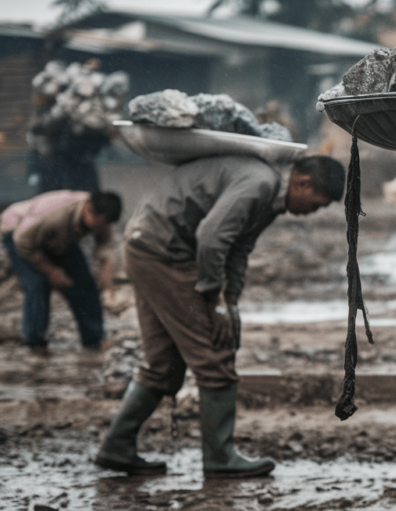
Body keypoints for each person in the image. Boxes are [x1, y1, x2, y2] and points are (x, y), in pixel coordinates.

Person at [94, 154, 346, 478]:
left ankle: (117, 446)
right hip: (165, 252)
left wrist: (232, 299)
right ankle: (219, 457)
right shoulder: (260, 184)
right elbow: (212, 236)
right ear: (303, 182)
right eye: (317, 203)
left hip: (145, 244)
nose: (314, 212)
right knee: (215, 354)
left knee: (164, 363)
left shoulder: (268, 195)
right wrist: (214, 301)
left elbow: (240, 247)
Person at [1, 189, 122, 355]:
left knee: (85, 284)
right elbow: (22, 240)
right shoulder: (56, 214)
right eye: (98, 222)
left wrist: (105, 271)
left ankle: (94, 339)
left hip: (59, 239)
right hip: (18, 233)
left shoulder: (102, 216)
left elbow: (104, 244)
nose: (101, 227)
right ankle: (35, 343)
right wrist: (51, 271)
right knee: (37, 284)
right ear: (88, 208)